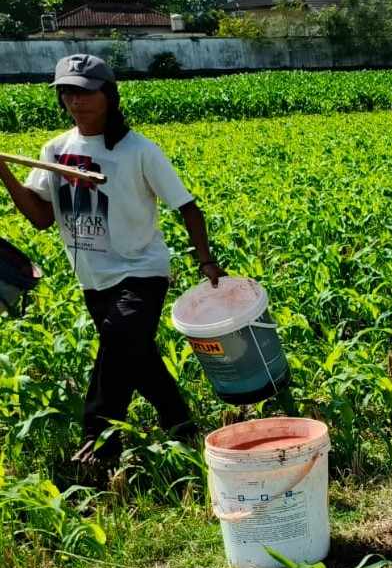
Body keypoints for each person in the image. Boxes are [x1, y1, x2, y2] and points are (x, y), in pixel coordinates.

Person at [0, 54, 225, 469]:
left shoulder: (139, 151)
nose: (76, 101)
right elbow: (41, 217)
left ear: (108, 94)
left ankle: (98, 444)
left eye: (86, 91)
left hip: (142, 271)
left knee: (118, 343)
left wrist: (205, 260)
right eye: (66, 92)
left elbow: (188, 207)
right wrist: (5, 173)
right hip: (93, 277)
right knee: (137, 358)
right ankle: (182, 426)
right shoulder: (55, 150)